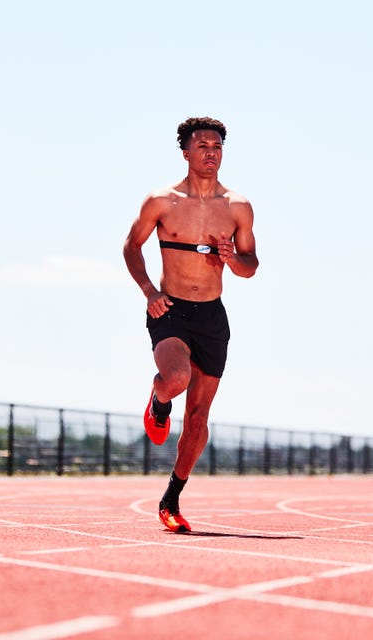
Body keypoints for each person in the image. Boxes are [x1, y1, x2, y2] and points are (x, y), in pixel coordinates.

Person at [123, 116, 259, 533]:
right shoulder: (162, 201)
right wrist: (149, 291)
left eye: (217, 146)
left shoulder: (237, 207)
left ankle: (171, 499)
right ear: (185, 152)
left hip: (212, 316)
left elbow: (251, 266)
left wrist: (231, 258)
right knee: (176, 376)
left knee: (198, 420)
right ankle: (158, 399)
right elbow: (132, 246)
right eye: (202, 146)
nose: (210, 153)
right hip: (171, 309)